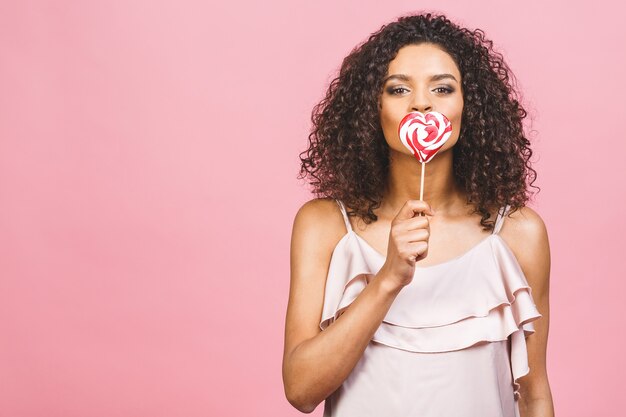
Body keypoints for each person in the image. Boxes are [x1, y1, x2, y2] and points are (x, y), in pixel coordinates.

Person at [282, 12, 554, 417]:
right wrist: (388, 278)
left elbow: (533, 394)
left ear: (470, 106)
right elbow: (301, 391)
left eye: (442, 88)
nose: (422, 102)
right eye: (398, 89)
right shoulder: (324, 226)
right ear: (372, 109)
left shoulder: (517, 234)